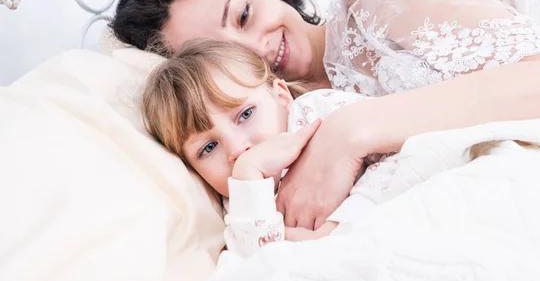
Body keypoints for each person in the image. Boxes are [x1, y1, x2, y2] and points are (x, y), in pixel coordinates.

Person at [111, 0, 540, 230]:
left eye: (244, 15)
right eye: (225, 54)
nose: (256, 48)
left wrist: (352, 130)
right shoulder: (270, 128)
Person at [141, 39, 401, 257]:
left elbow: (402, 153)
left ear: (281, 96)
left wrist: (342, 224)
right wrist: (248, 173)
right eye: (208, 148)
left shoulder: (317, 113)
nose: (238, 148)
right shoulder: (237, 202)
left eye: (245, 115)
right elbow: (257, 265)